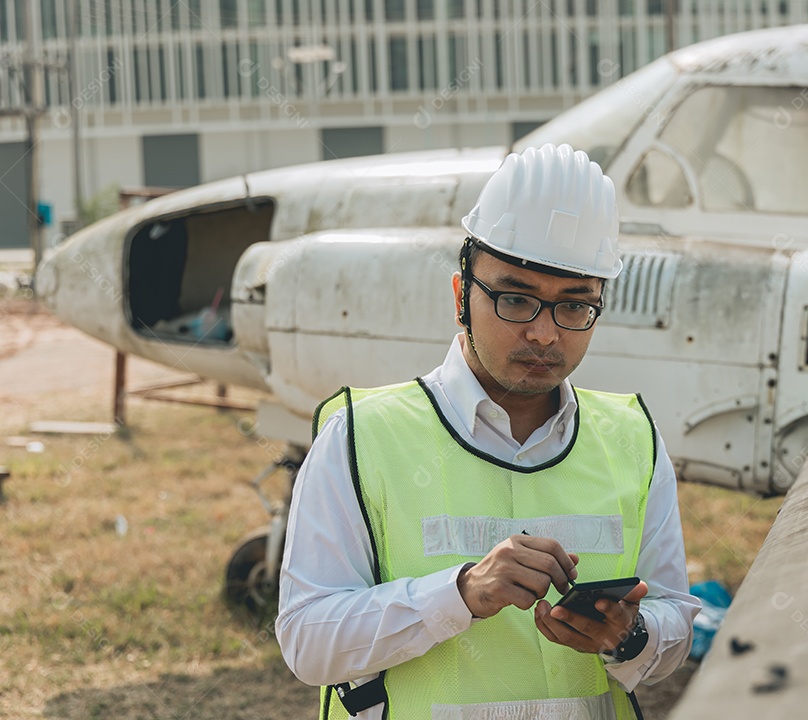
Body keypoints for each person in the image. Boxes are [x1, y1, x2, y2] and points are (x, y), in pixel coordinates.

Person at [276, 143, 699, 720]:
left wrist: (630, 637)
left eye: (575, 307)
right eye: (516, 299)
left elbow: (674, 622)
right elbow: (308, 643)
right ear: (461, 298)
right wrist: (459, 594)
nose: (546, 334)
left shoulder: (632, 440)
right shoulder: (362, 436)